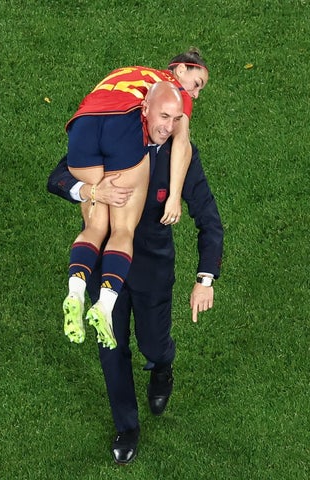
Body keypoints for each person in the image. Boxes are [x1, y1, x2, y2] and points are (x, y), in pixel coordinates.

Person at [47, 135, 223, 464]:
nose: (166, 125)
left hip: (151, 271)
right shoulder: (107, 138)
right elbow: (58, 178)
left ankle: (162, 366)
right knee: (110, 348)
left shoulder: (178, 153)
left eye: (174, 119)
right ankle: (126, 426)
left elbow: (208, 218)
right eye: (162, 117)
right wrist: (91, 191)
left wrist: (205, 279)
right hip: (105, 265)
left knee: (153, 344)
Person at [63, 50, 209, 350]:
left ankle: (74, 292)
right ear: (180, 69)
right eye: (197, 83)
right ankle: (104, 306)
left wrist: (93, 190)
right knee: (122, 229)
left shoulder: (131, 72)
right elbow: (181, 142)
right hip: (122, 128)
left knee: (96, 222)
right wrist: (174, 196)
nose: (195, 92)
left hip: (82, 124)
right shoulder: (172, 92)